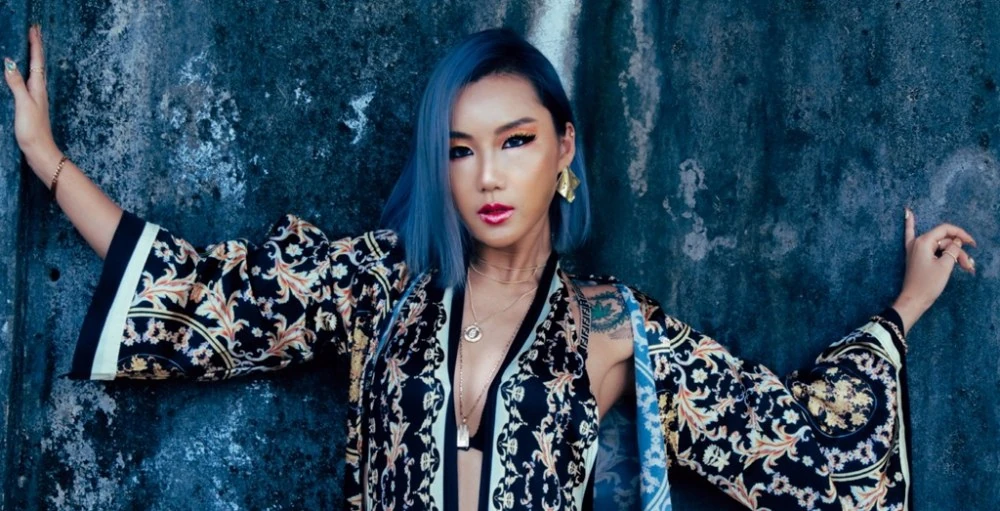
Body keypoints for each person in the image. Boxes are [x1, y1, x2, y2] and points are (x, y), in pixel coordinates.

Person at [4, 24, 977, 511]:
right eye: (460, 149)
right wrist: (49, 161)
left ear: (563, 149)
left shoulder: (610, 325)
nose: (488, 175)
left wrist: (901, 308)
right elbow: (207, 299)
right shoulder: (380, 285)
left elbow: (789, 444)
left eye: (515, 140)